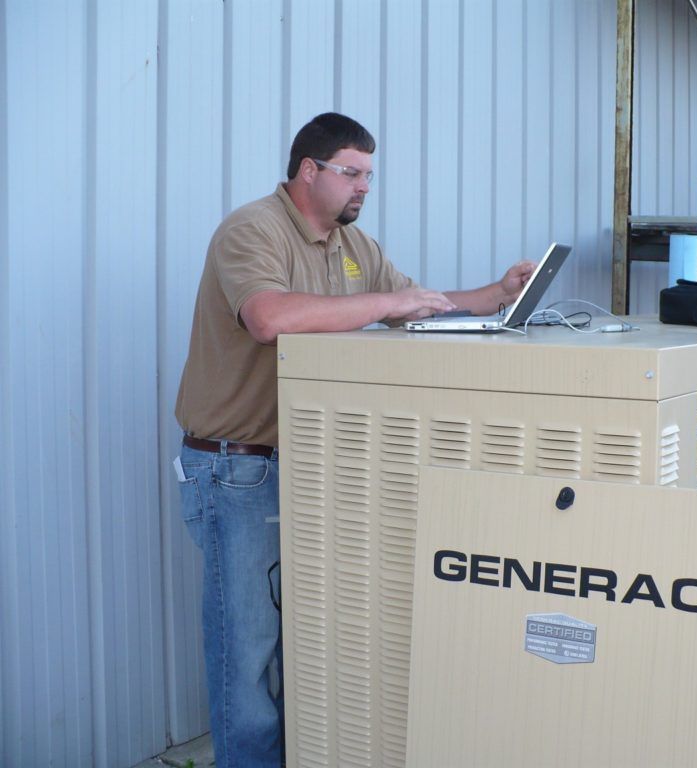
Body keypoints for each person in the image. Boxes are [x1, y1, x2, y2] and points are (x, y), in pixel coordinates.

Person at [174, 112, 535, 767]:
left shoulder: (351, 246)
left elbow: (415, 301)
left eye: (369, 174)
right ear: (308, 171)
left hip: (310, 463)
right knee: (248, 647)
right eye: (351, 172)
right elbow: (267, 317)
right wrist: (382, 307)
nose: (364, 187)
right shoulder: (251, 231)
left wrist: (495, 295)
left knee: (310, 631)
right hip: (236, 471)